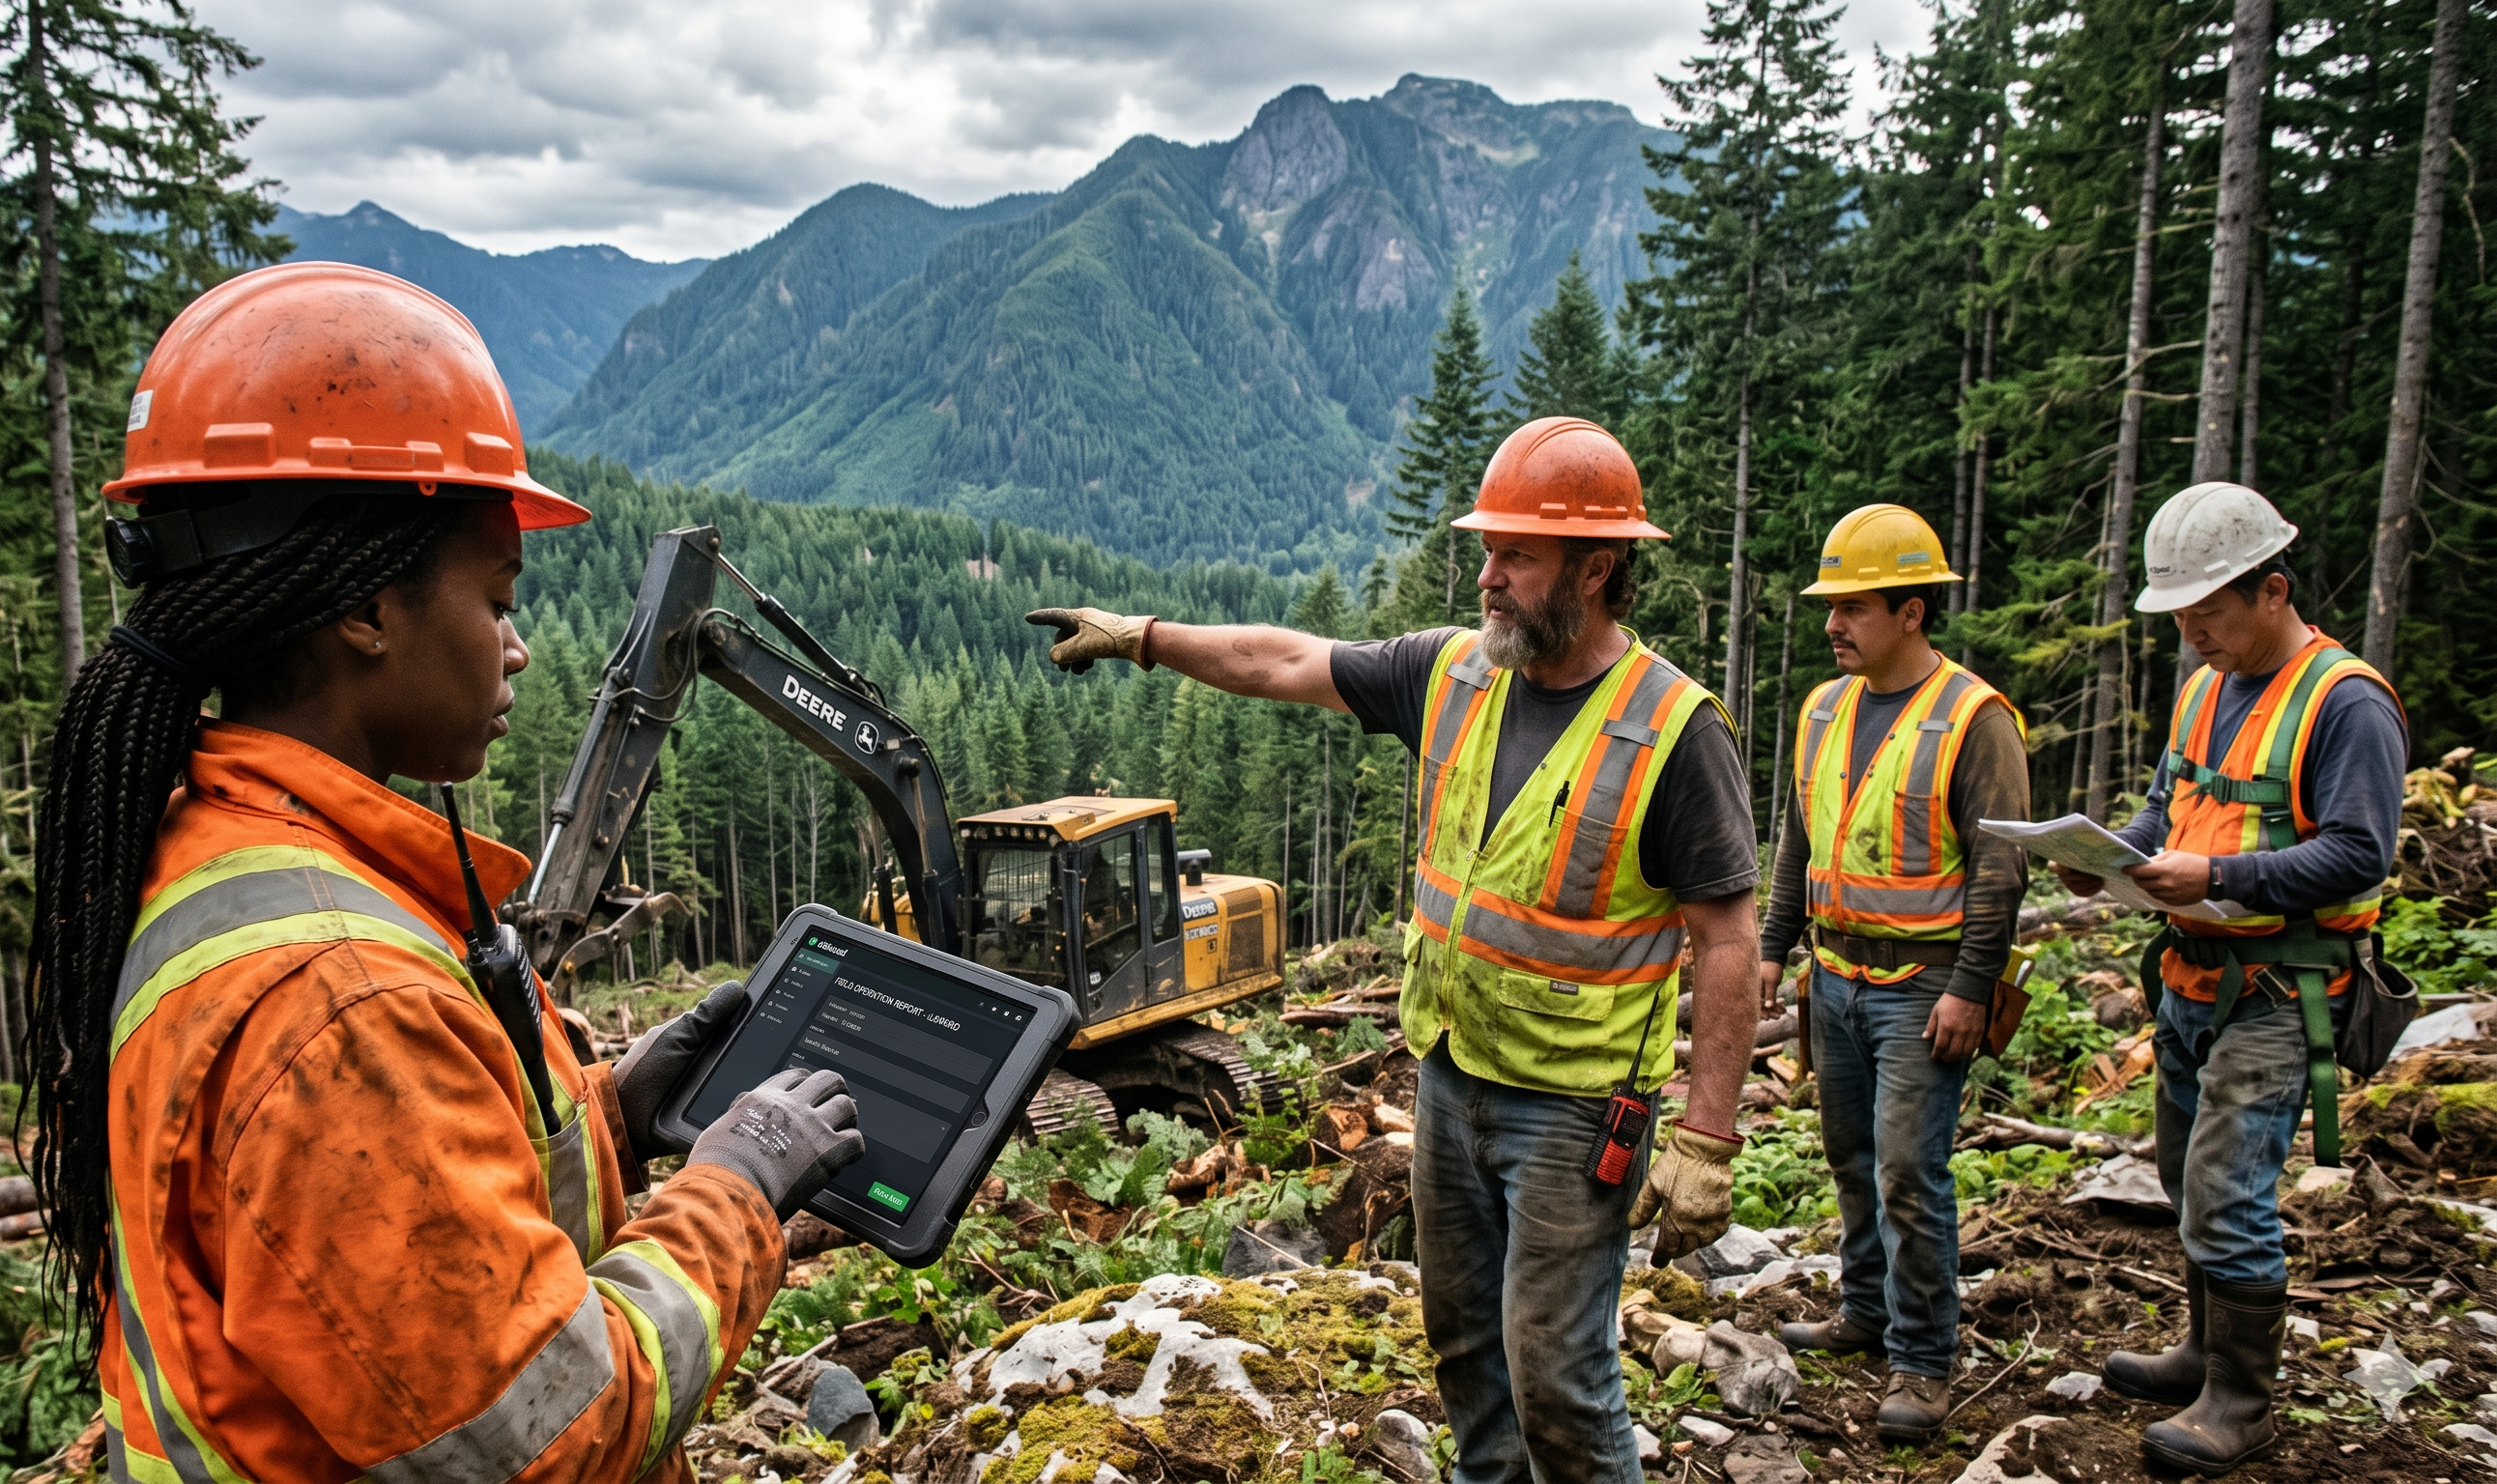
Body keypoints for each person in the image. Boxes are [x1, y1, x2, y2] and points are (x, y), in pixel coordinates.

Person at [28, 262, 862, 1483]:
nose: (518, 648)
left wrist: (613, 1114)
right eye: (497, 597)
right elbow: (550, 1434)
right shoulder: (343, 1006)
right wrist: (737, 1186)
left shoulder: (222, 848)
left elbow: (400, 1228)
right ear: (367, 609)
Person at [1026, 417, 1763, 1484]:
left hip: (1574, 1107)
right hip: (1448, 1078)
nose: (1486, 575)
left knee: (1556, 1373)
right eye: (1486, 549)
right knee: (1464, 1346)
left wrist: (1705, 1139)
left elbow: (1727, 937)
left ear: (1596, 570)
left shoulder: (1671, 729)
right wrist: (1142, 634)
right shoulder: (1456, 674)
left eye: (1515, 554)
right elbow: (1280, 658)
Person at [2050, 482, 2406, 1475]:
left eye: (2206, 613)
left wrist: (2219, 878)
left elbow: (2356, 854)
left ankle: (2241, 1402)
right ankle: (2206, 1354)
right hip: (2191, 976)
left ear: (2271, 590)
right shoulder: (2205, 687)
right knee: (2180, 1173)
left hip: (2281, 988)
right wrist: (2108, 854)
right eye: (2181, 617)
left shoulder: (2344, 704)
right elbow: (2170, 810)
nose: (2192, 634)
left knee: (2223, 1186)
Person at [1756, 505, 2029, 1441]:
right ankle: (1863, 1310)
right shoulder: (1821, 708)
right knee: (1848, 1157)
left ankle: (1920, 1359)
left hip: (1923, 985)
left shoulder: (1973, 720)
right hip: (1832, 975)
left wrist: (1968, 985)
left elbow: (2001, 868)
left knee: (1912, 1170)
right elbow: (1798, 837)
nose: (1831, 623)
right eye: (1828, 605)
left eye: (1853, 607)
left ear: (1911, 611)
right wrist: (1768, 945)